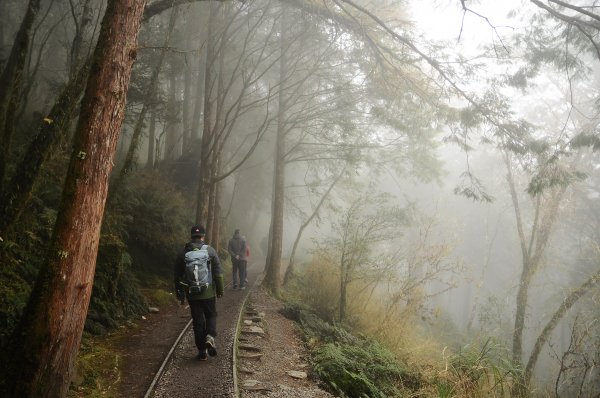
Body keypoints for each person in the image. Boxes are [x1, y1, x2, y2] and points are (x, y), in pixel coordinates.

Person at [174, 225, 224, 361]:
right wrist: (220, 290)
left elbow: (177, 275)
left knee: (197, 321)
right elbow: (218, 274)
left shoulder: (183, 252)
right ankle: (210, 336)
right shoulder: (210, 251)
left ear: (191, 236)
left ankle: (202, 351)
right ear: (203, 236)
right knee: (211, 314)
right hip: (208, 292)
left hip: (192, 293)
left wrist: (179, 293)